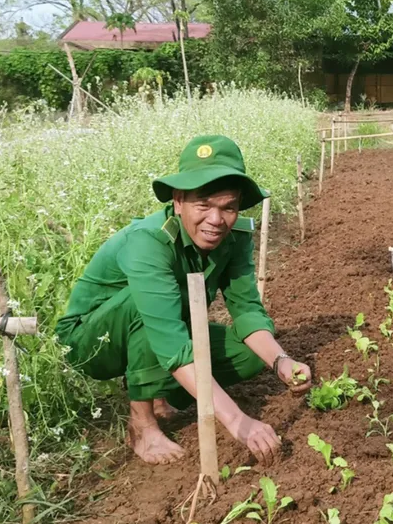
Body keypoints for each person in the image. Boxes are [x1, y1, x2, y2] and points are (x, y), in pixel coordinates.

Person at [56, 135, 310, 467]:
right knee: (143, 306)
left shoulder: (235, 239)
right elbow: (168, 336)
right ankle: (142, 425)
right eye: (203, 205)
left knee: (250, 355)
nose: (216, 220)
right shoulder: (149, 242)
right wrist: (238, 422)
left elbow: (246, 309)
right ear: (178, 201)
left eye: (228, 207)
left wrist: (281, 362)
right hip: (92, 341)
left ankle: (160, 392)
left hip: (163, 332)